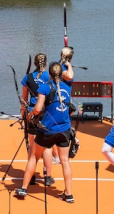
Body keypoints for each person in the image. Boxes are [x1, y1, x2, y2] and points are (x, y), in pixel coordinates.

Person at [16, 62, 76, 204]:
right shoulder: (68, 85)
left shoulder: (45, 86)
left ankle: (24, 188)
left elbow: (37, 108)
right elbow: (70, 75)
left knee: (34, 157)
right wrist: (69, 64)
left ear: (49, 74)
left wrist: (30, 115)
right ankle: (68, 194)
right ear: (62, 74)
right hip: (64, 130)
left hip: (47, 130)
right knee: (65, 161)